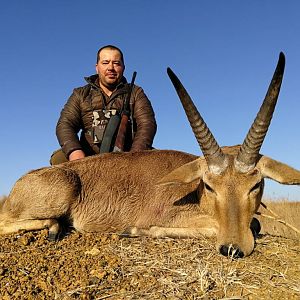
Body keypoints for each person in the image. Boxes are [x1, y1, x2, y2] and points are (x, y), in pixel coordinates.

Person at [50, 45, 157, 165]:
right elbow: (65, 124)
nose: (111, 67)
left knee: (159, 161)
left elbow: (147, 124)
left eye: (116, 63)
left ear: (123, 67)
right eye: (105, 62)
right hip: (88, 157)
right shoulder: (80, 94)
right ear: (97, 67)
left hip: (128, 156)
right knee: (58, 158)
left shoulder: (136, 93)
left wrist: (134, 156)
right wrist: (75, 152)